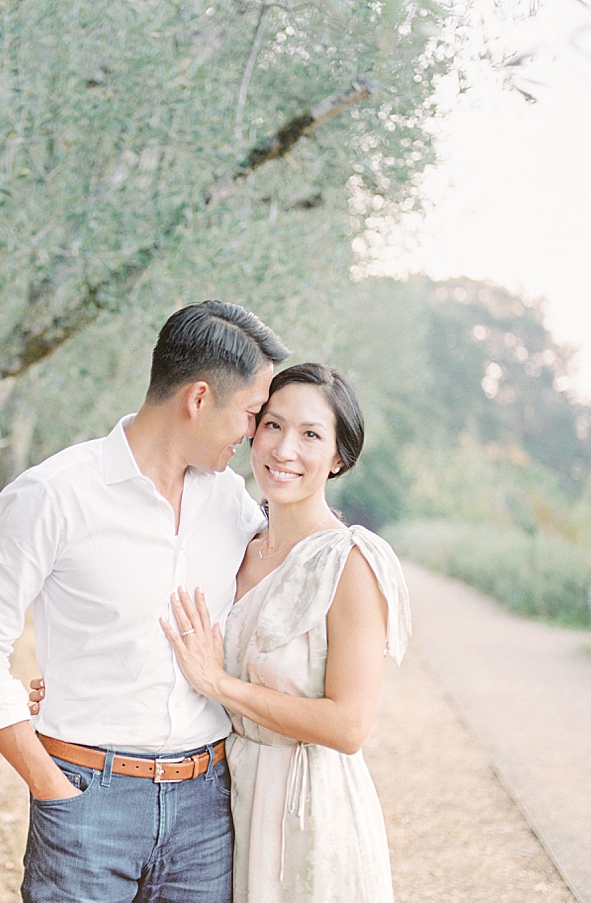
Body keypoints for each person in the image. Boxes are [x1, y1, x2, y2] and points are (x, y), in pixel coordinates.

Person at [0, 300, 291, 902]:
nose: (255, 434)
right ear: (199, 399)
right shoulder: (55, 495)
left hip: (206, 806)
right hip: (85, 802)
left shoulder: (231, 501)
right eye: (252, 413)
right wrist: (50, 787)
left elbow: (295, 566)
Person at [159, 362, 411, 902]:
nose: (284, 449)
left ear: (339, 457)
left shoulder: (349, 562)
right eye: (272, 425)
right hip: (226, 801)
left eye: (311, 434)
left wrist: (220, 685)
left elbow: (348, 726)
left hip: (311, 811)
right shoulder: (235, 542)